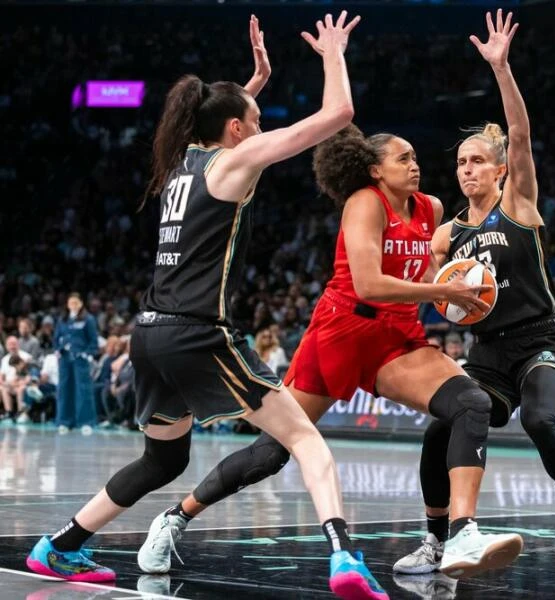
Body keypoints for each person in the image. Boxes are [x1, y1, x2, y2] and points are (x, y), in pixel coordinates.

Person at [26, 13, 391, 600]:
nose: (261, 127)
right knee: (305, 440)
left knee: (162, 461)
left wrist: (255, 82)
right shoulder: (235, 162)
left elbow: (218, 121)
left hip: (150, 333)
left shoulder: (182, 165)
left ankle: (58, 546)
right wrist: (332, 53)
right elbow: (337, 116)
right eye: (255, 120)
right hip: (199, 334)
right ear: (235, 130)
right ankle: (345, 559)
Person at [138, 101, 524, 579]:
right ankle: (176, 518)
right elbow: (368, 284)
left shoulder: (431, 208)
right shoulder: (365, 202)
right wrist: (441, 289)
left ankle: (458, 534)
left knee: (470, 403)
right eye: (403, 158)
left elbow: (419, 270)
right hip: (341, 332)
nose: (415, 164)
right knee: (272, 452)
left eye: (415, 157)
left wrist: (458, 293)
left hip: (395, 337)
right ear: (375, 170)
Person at [393, 11, 555, 577]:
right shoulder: (447, 235)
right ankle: (437, 542)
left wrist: (501, 69)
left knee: (539, 420)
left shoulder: (517, 205)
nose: (466, 169)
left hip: (540, 343)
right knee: (439, 429)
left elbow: (521, 133)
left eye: (476, 160)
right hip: (486, 354)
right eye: (459, 162)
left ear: (501, 170)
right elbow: (432, 298)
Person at [53, 293, 100, 434]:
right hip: (65, 358)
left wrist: (88, 353)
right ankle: (64, 422)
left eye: (76, 303)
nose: (73, 305)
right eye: (70, 302)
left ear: (81, 304)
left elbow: (93, 340)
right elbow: (56, 338)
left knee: (83, 390)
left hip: (81, 358)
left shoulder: (88, 319)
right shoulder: (63, 319)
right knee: (64, 389)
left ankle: (86, 422)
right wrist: (57, 350)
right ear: (67, 304)